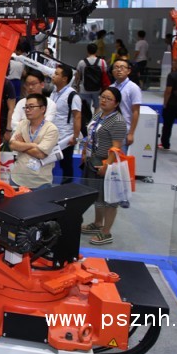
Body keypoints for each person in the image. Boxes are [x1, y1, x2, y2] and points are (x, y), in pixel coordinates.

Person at [80, 87, 128, 246]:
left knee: (109, 199)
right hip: (92, 160)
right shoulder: (99, 114)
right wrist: (84, 152)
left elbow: (116, 147)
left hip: (107, 163)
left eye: (109, 99)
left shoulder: (118, 121)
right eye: (102, 97)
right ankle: (97, 223)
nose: (104, 100)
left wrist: (107, 164)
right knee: (97, 195)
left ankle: (106, 232)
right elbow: (90, 134)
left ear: (116, 103)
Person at [8, 93, 59, 190]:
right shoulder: (22, 124)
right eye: (26, 107)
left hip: (40, 183)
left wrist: (22, 144)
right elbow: (12, 145)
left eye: (31, 107)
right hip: (17, 178)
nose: (27, 110)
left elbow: (40, 154)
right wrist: (33, 145)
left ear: (42, 109)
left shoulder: (51, 129)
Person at [52, 65, 82, 183]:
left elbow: (77, 116)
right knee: (49, 164)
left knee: (66, 164)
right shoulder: (54, 93)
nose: (53, 76)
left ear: (64, 78)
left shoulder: (72, 95)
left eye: (57, 74)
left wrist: (75, 137)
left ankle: (67, 188)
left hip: (66, 137)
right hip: (52, 135)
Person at [109, 59, 141, 148]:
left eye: (122, 67)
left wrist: (131, 133)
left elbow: (136, 111)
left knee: (119, 155)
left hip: (123, 129)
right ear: (112, 71)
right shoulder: (111, 87)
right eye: (116, 67)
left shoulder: (133, 88)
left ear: (128, 71)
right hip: (109, 127)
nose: (119, 70)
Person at [76, 43, 107, 111]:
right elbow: (104, 74)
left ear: (87, 51)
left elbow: (77, 76)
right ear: (97, 51)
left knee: (85, 109)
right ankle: (96, 118)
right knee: (97, 107)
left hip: (84, 89)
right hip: (97, 89)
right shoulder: (102, 62)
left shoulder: (82, 62)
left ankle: (87, 118)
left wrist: (77, 86)